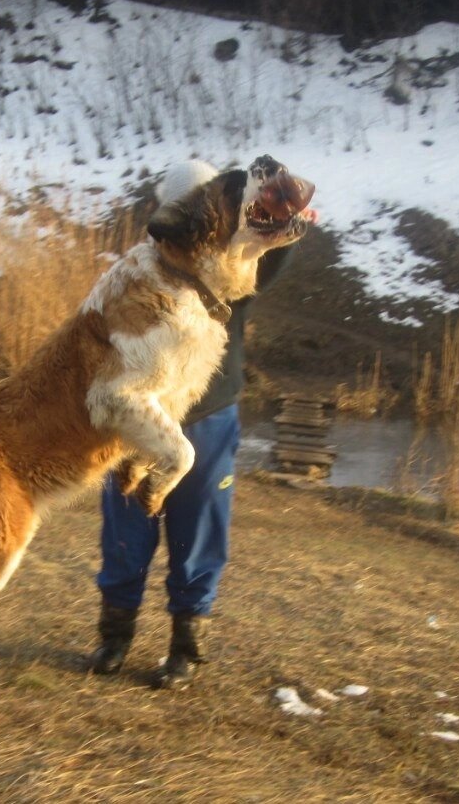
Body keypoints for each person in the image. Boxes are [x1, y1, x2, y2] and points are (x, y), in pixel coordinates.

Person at [89, 160, 313, 690]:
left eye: (207, 207)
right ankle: (114, 637)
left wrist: (277, 208)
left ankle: (186, 648)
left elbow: (283, 238)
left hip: (208, 419)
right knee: (125, 529)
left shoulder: (239, 266)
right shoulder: (151, 267)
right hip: (139, 419)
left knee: (199, 533)